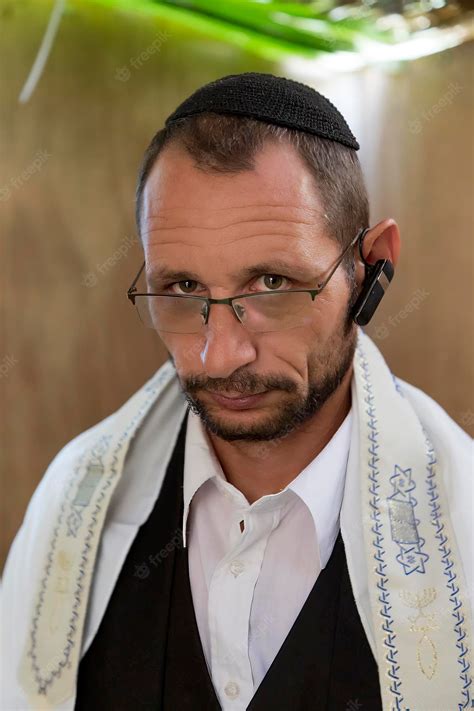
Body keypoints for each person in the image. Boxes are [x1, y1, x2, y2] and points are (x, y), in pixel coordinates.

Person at [1, 72, 472, 711]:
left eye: (272, 283)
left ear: (370, 268)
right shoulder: (72, 503)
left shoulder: (463, 528)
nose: (220, 354)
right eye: (183, 290)